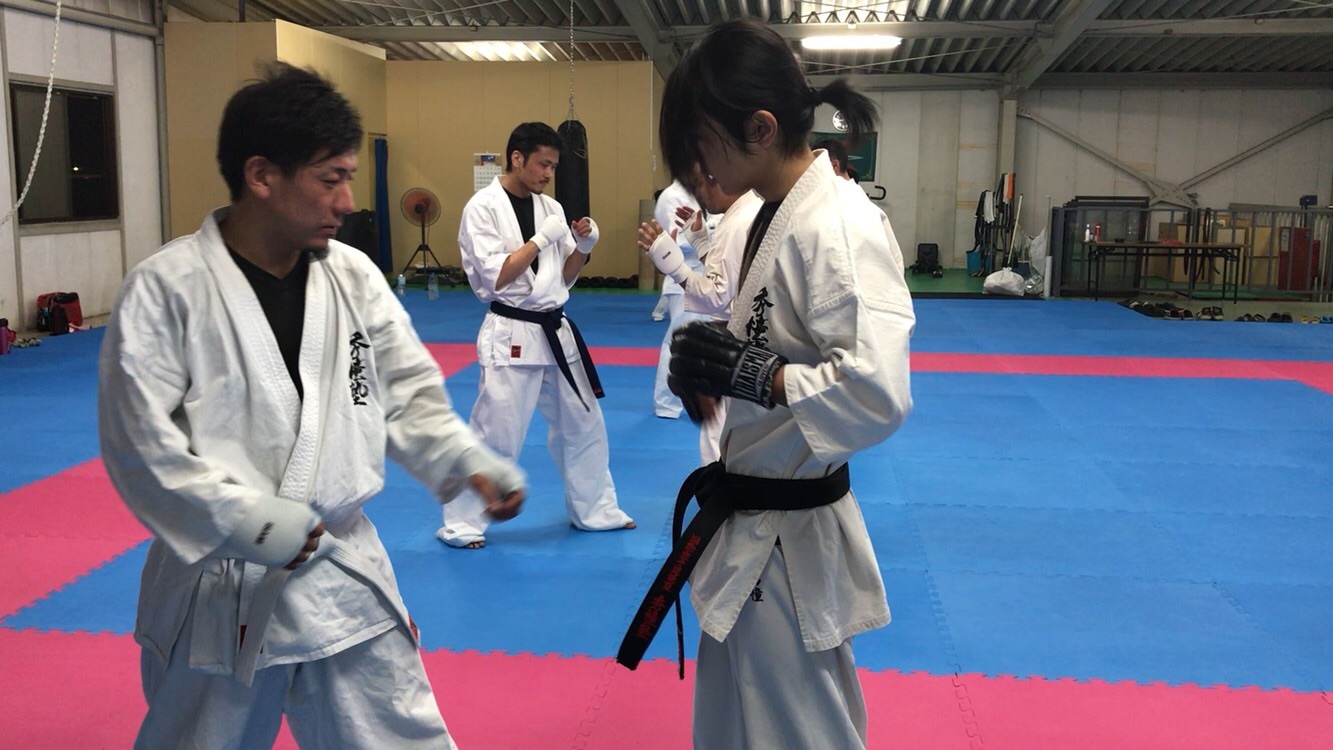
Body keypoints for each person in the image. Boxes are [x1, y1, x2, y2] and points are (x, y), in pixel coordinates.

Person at [98, 62, 527, 749]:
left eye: (349, 177)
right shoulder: (167, 290)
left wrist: (464, 459)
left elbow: (405, 392)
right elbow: (139, 449)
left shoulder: (352, 277)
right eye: (330, 179)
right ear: (261, 175)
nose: (348, 201)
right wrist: (246, 521)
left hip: (339, 572)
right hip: (218, 588)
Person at [618, 19, 915, 750]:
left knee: (800, 732)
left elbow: (877, 392)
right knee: (731, 724)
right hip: (749, 512)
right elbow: (762, 333)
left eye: (702, 143)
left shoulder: (836, 225)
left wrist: (760, 375)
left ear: (759, 128)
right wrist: (711, 370)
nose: (695, 165)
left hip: (787, 532)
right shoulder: (760, 213)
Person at [440, 121, 635, 549]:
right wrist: (540, 239)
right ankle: (462, 522)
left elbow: (562, 277)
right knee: (497, 433)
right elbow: (496, 277)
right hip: (511, 330)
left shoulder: (552, 208)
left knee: (584, 423)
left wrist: (584, 249)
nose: (549, 173)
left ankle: (595, 510)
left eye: (554, 166)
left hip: (555, 330)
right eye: (543, 164)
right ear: (517, 158)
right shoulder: (483, 208)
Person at [638, 164, 762, 463]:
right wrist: (703, 244)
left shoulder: (737, 222)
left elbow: (719, 295)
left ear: (719, 178)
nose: (700, 196)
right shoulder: (752, 209)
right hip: (750, 332)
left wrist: (672, 265)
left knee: (719, 436)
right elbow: (733, 275)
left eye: (702, 186)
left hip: (739, 336)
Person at [649, 179, 708, 418]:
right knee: (679, 340)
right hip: (683, 274)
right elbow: (674, 243)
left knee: (705, 342)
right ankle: (666, 401)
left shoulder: (704, 189)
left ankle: (701, 395)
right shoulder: (672, 197)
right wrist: (707, 236)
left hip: (707, 273)